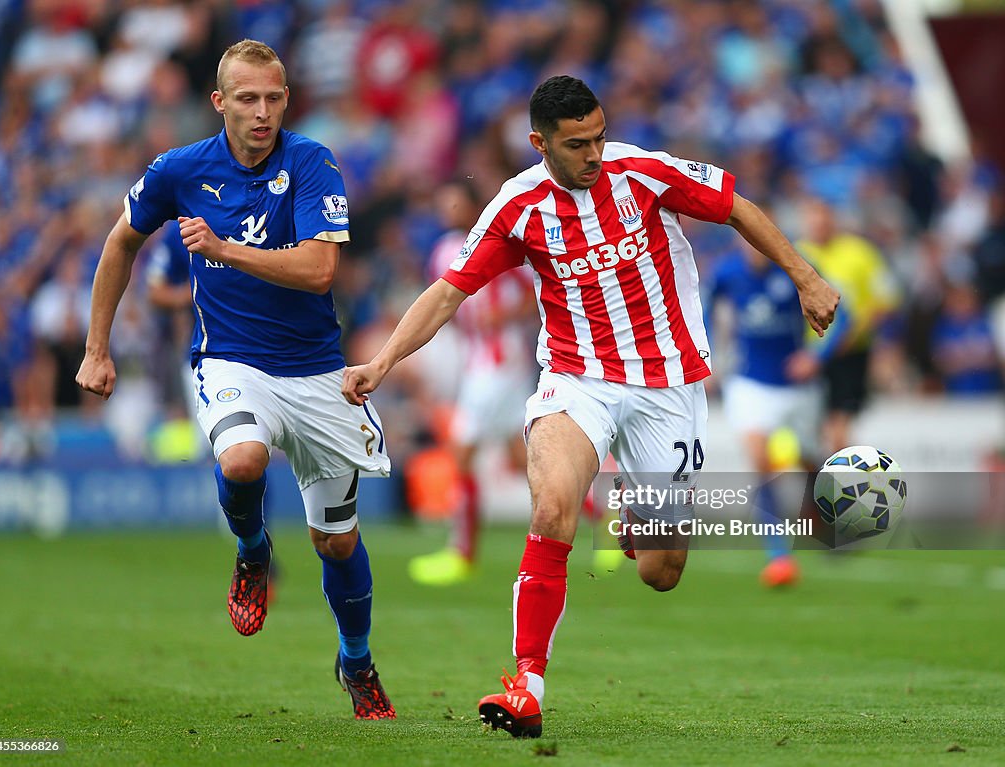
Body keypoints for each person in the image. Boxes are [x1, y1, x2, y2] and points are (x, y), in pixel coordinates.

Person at [342, 75, 839, 737]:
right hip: (578, 378)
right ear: (539, 142)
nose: (594, 153)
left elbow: (738, 206)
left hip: (668, 384)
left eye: (599, 136)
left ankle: (636, 513)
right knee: (553, 505)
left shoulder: (644, 172)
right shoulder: (517, 207)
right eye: (577, 144)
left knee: (662, 571)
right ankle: (526, 682)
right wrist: (380, 362)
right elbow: (446, 293)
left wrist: (805, 276)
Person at [76, 39, 395, 720]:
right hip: (232, 361)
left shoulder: (312, 161)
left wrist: (224, 250)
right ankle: (253, 550)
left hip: (316, 372)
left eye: (273, 98)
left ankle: (357, 660)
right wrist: (96, 346)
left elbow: (318, 270)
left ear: (287, 99)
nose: (262, 112)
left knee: (336, 541)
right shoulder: (180, 169)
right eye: (247, 98)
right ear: (219, 101)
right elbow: (120, 241)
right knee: (243, 459)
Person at [407, 179, 537, 586]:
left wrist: (505, 316)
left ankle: (461, 553)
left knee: (462, 453)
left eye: (455, 203)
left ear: (472, 207)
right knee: (522, 459)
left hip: (500, 361)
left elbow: (534, 291)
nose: (448, 210)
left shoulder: (500, 243)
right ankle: (606, 516)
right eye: (443, 203)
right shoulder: (444, 249)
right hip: (480, 361)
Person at [706, 228, 849, 587]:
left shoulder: (797, 266)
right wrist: (706, 355)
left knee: (807, 460)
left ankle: (824, 517)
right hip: (750, 383)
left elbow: (843, 314)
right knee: (760, 463)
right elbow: (703, 311)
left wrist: (816, 356)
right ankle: (779, 556)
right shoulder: (727, 272)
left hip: (798, 386)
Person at [796, 196, 898, 454]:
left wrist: (854, 334)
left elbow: (886, 300)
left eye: (823, 217)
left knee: (838, 430)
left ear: (834, 219)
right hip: (808, 357)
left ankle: (839, 487)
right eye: (812, 219)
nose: (818, 224)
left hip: (849, 353)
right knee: (809, 433)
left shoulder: (860, 252)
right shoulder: (798, 253)